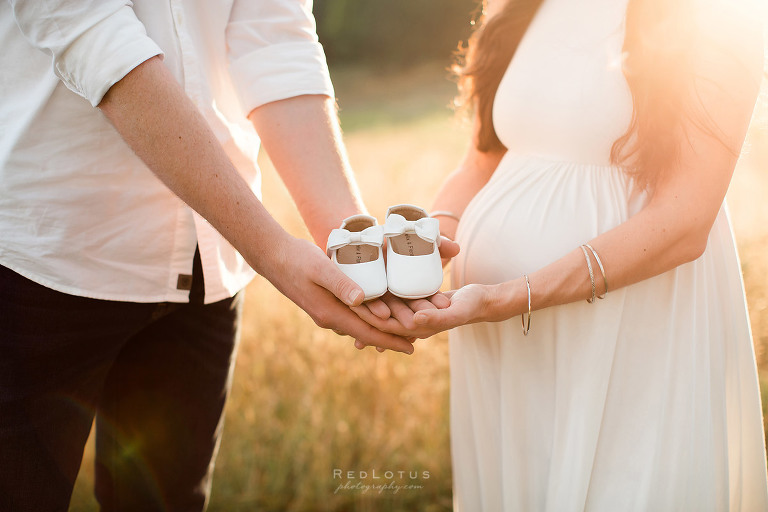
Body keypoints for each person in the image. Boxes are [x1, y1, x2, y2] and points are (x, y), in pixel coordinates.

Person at [0, 1, 459, 510]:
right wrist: (273, 251)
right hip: (48, 261)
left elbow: (272, 31)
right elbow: (93, 35)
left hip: (205, 260)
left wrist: (348, 241)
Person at [353, 0, 768, 509]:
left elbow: (685, 219)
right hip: (505, 347)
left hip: (629, 334)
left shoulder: (717, 15)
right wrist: (426, 247)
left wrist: (511, 296)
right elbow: (481, 159)